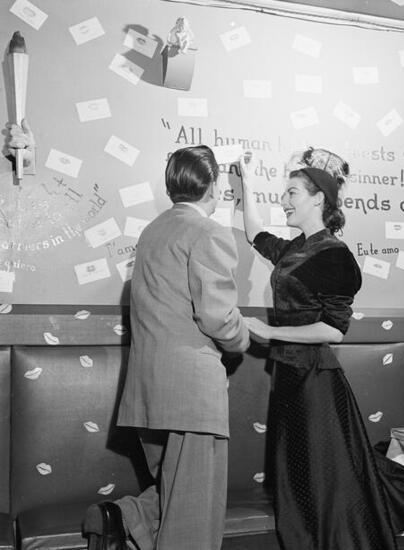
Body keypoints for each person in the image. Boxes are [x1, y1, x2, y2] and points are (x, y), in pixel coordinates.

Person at [238, 147, 404, 550]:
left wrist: (271, 331)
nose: (283, 201)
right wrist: (246, 181)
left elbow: (333, 331)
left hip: (315, 381)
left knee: (334, 474)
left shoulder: (334, 255)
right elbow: (254, 234)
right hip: (289, 376)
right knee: (329, 470)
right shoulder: (294, 249)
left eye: (292, 193)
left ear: (318, 199)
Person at [83, 145, 250, 550]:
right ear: (213, 186)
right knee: (194, 516)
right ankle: (124, 518)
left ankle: (120, 517)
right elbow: (217, 318)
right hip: (192, 395)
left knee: (174, 493)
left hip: (148, 394)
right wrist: (243, 335)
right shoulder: (209, 232)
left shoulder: (152, 231)